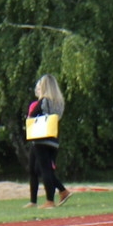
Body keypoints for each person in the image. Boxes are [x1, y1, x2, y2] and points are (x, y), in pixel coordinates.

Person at [25, 74, 71, 209]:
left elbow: (32, 116)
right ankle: (61, 191)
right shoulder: (59, 102)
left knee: (44, 169)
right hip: (53, 137)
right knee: (37, 168)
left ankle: (50, 200)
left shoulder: (44, 100)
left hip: (41, 137)